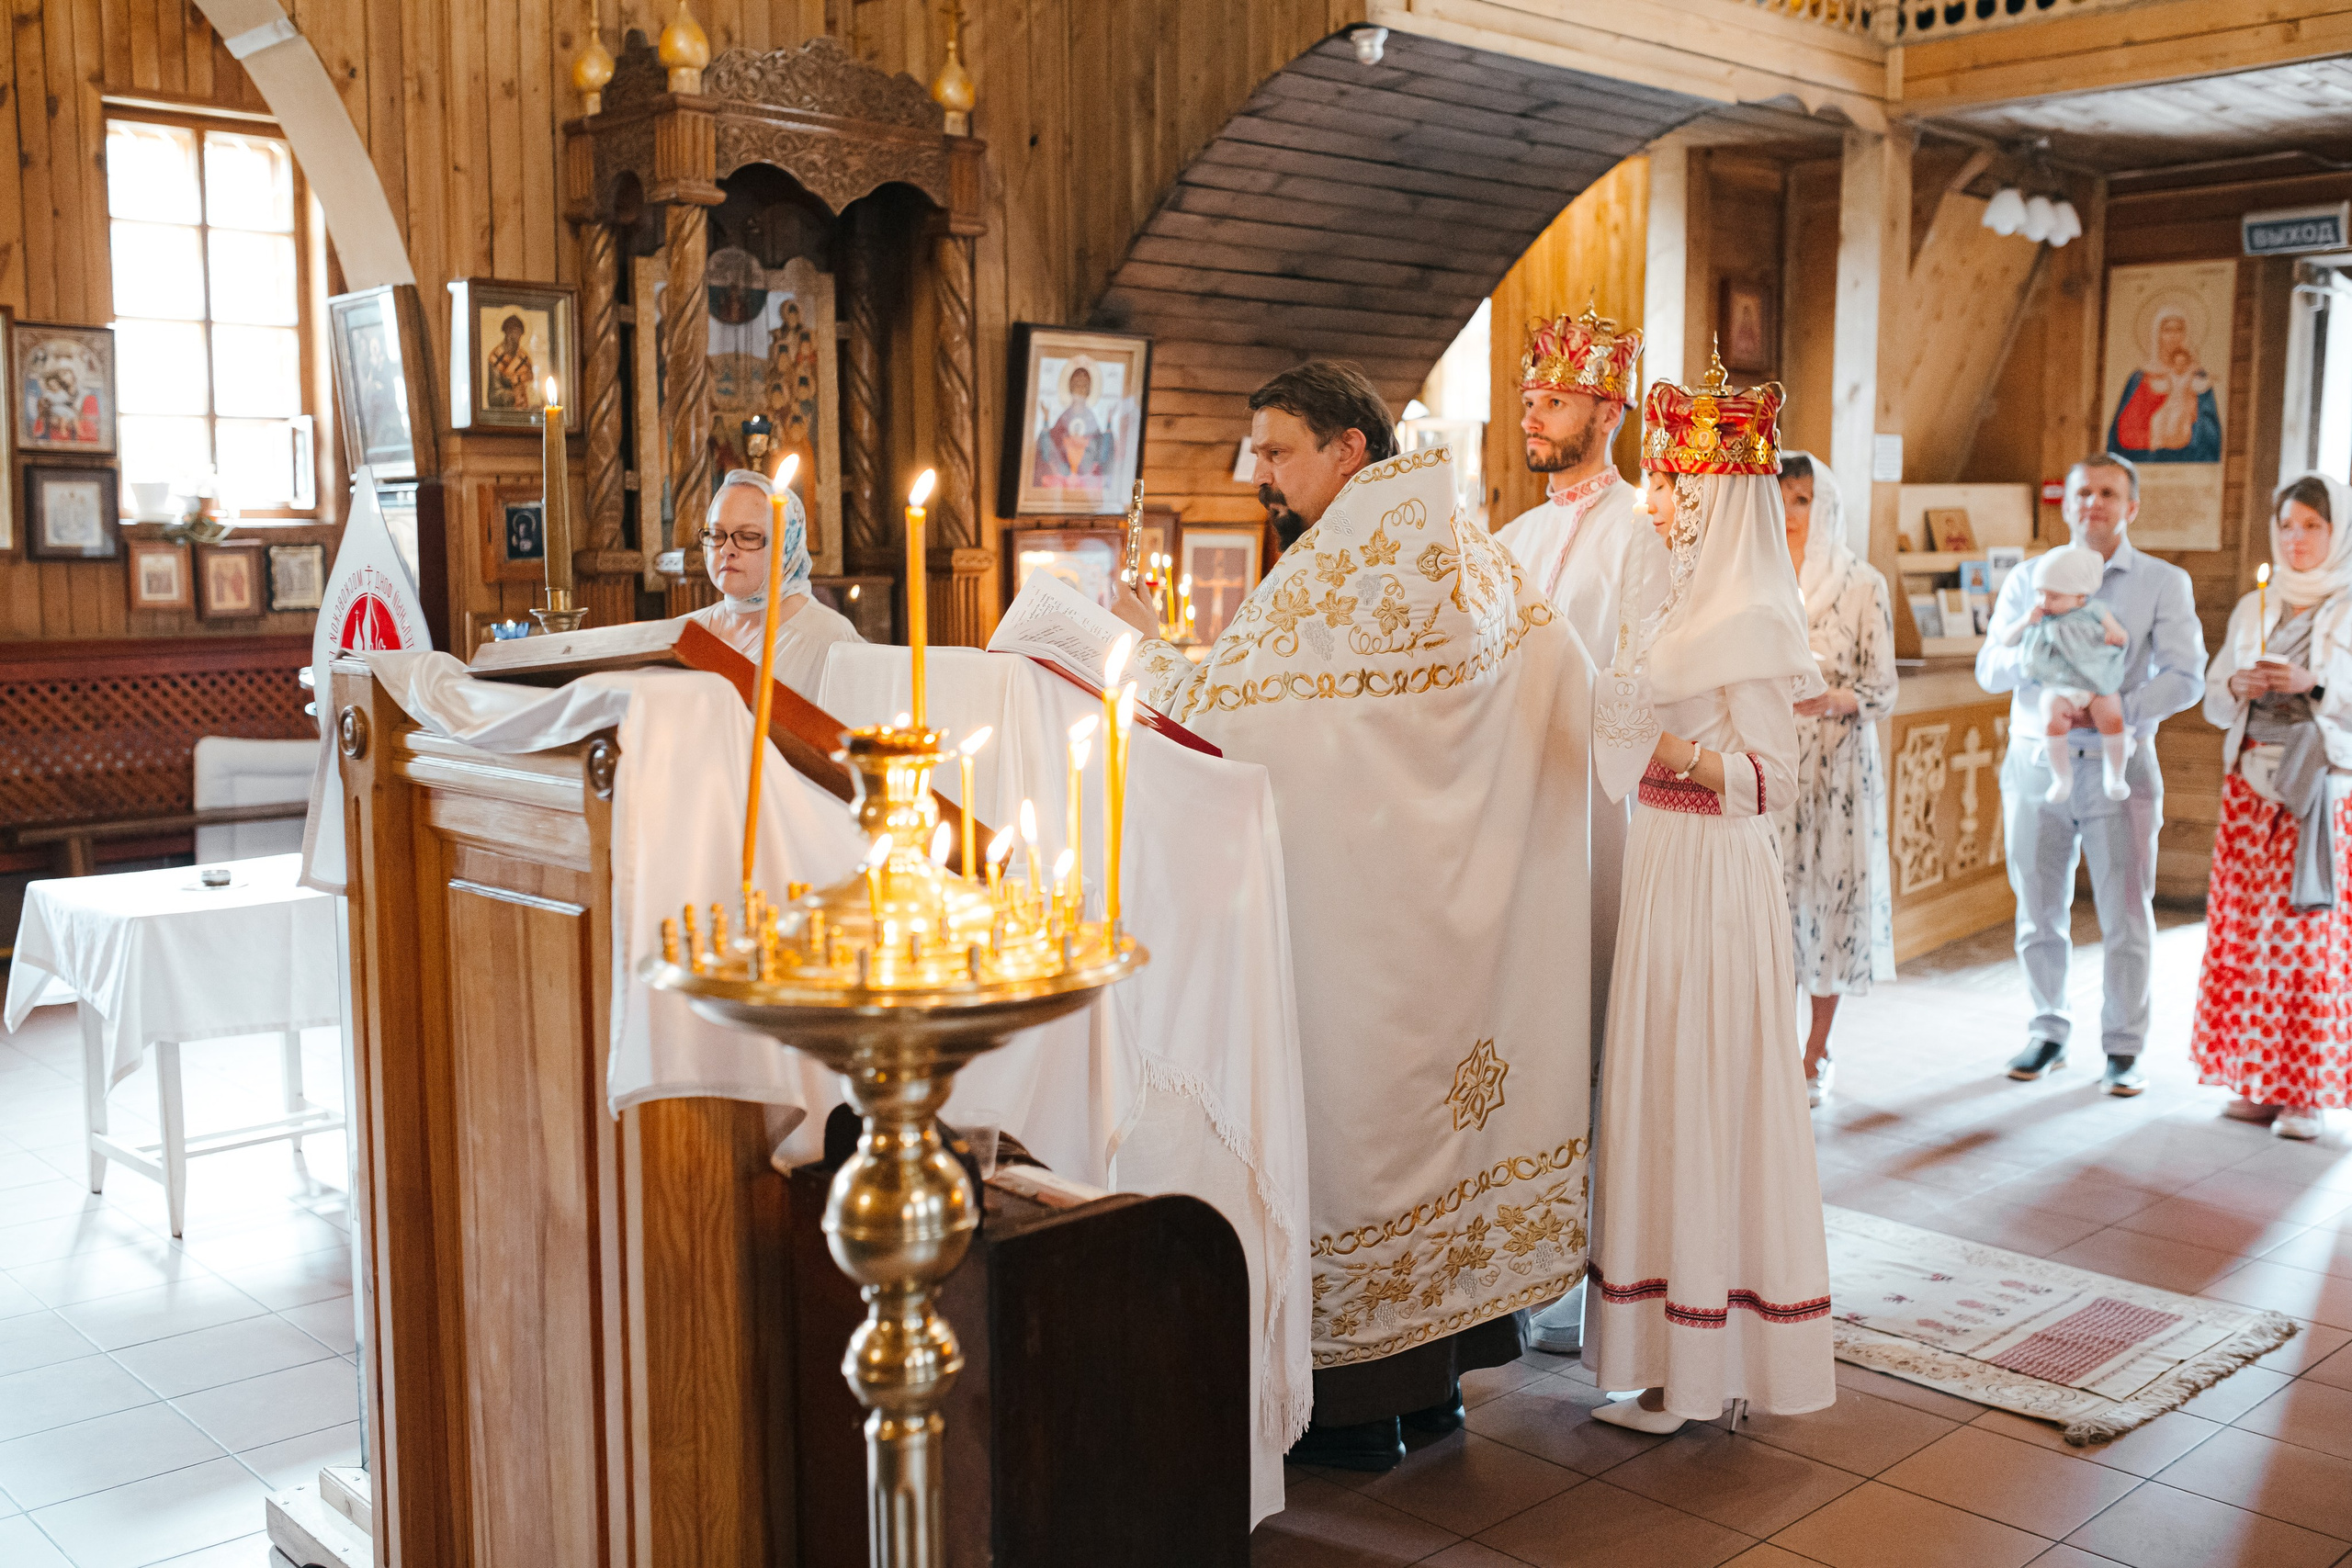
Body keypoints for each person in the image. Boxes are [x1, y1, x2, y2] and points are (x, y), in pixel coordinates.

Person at [1114, 361, 1600, 1472]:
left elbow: (1235, 731)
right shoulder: (1460, 545)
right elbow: (1555, 678)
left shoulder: (1344, 565)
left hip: (1364, 941)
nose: (1262, 475)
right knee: (1437, 1136)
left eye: (1279, 451)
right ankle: (1435, 1394)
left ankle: (1362, 1407)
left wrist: (1138, 646)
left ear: (1347, 449)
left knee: (1361, 1140)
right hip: (1449, 935)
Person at [1579, 353, 1835, 1434]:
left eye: (1685, 486)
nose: (1668, 503)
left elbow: (1770, 783)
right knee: (1653, 1088)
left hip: (1716, 878)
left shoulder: (1759, 620)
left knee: (1705, 1090)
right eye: (1665, 481)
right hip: (1658, 867)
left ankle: (1713, 1360)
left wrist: (1674, 751)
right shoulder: (1667, 602)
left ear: (1726, 496)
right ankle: (1657, 1358)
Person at [1493, 304, 1666, 1355]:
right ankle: (1523, 1250)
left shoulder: (1643, 531)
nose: (1532, 415)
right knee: (1534, 1025)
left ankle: (1598, 1267)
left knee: (1599, 1029)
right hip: (1518, 811)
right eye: (1525, 398)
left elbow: (1644, 681)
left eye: (1552, 399)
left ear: (1609, 409)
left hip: (1607, 817)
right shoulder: (1510, 537)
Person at [1976, 454, 2204, 1095]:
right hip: (2035, 759)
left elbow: (2187, 677)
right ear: (2066, 503)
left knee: (2126, 907)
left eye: (2108, 493)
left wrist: (2115, 715)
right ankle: (2047, 1026)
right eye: (2082, 493)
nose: (2093, 504)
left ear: (2131, 506)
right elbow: (1990, 670)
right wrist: (2035, 641)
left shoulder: (2163, 582)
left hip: (2117, 760)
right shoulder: (2028, 579)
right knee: (2037, 904)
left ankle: (2124, 1045)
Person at [2189, 473, 2352, 1142]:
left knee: (2302, 941)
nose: (2298, 538)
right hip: (2250, 788)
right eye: (2288, 525)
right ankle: (2256, 1079)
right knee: (2248, 933)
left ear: (2337, 532)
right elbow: (2215, 698)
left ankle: (2303, 1092)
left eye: (2312, 525)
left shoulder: (2347, 605)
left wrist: (2313, 683)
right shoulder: (2258, 606)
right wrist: (2237, 681)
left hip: (2313, 790)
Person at [1777, 453, 1896, 1107]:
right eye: (1782, 500)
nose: (1791, 515)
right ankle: (1771, 1045)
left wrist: (1830, 697)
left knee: (1825, 904)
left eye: (1802, 501)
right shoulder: (1760, 576)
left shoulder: (1861, 583)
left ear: (1826, 507)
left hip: (1837, 765)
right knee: (1775, 907)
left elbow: (1883, 687)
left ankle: (1816, 1050)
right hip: (1773, 761)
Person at [682, 468, 862, 692]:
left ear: (787, 546)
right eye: (716, 535)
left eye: (748, 537)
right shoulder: (684, 630)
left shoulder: (831, 638)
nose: (726, 549)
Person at [1995, 547, 2134, 802]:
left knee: (2113, 716)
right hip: (2059, 685)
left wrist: (2115, 637)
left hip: (2096, 683)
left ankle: (2115, 774)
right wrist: (2025, 621)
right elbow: (2006, 640)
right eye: (2040, 594)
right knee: (2051, 718)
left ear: (2080, 597)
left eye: (2054, 597)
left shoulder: (2095, 611)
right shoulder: (2041, 618)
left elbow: (2122, 636)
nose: (2044, 603)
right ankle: (2061, 778)